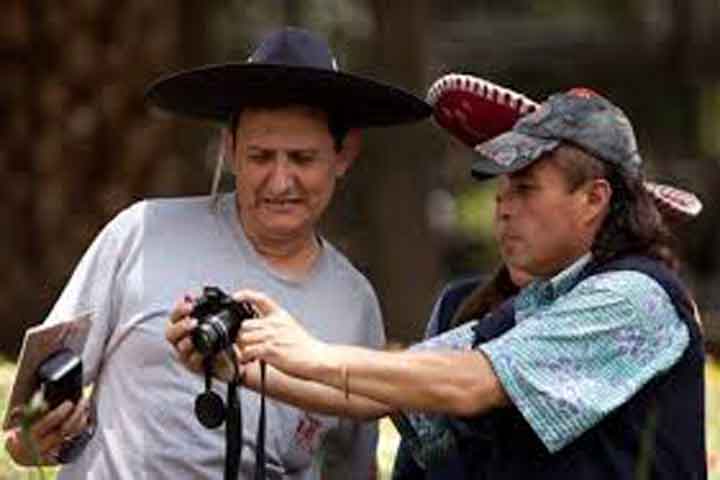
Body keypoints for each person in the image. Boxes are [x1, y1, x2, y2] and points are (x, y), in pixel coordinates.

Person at [169, 88, 706, 478]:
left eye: (525, 188)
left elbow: (471, 384)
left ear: (594, 198)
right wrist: (243, 367)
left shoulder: (634, 297)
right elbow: (384, 393)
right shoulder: (540, 302)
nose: (502, 207)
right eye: (503, 190)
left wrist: (308, 352)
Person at [4, 27, 431, 479]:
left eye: (302, 159)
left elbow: (353, 468)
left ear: (344, 154)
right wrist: (38, 437)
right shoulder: (142, 233)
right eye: (260, 156)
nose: (280, 181)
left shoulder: (354, 304)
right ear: (229, 149)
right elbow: (25, 429)